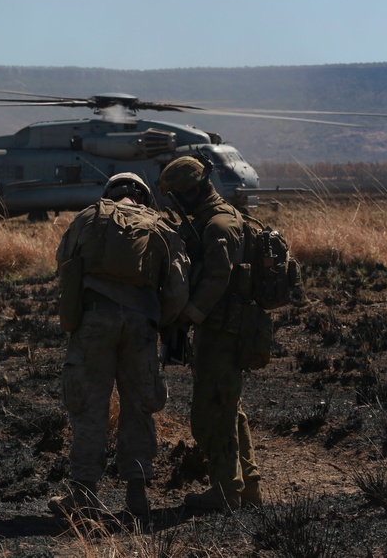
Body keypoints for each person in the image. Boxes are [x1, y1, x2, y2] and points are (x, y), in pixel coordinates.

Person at [50, 173, 189, 524]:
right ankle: (137, 496)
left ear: (109, 194)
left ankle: (84, 495)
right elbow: (177, 289)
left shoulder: (89, 216)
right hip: (141, 327)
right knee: (139, 408)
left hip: (93, 324)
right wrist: (157, 320)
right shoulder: (160, 226)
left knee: (88, 407)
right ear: (143, 197)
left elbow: (63, 258)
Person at [158, 156, 263, 512]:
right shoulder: (216, 218)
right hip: (220, 329)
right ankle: (246, 485)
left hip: (222, 332)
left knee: (211, 415)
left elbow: (217, 278)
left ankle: (226, 492)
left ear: (194, 192)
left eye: (179, 196)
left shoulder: (218, 225)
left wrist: (187, 317)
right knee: (230, 410)